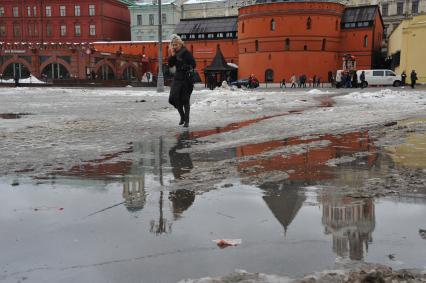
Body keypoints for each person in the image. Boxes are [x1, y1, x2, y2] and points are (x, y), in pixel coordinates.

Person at [168, 34, 196, 127]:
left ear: (180, 44)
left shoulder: (186, 53)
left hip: (186, 79)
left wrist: (186, 66)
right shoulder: (174, 53)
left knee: (185, 100)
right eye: (173, 45)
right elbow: (170, 65)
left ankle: (186, 121)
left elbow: (193, 63)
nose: (175, 46)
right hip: (177, 78)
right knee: (174, 98)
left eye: (176, 45)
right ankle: (182, 117)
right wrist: (172, 55)